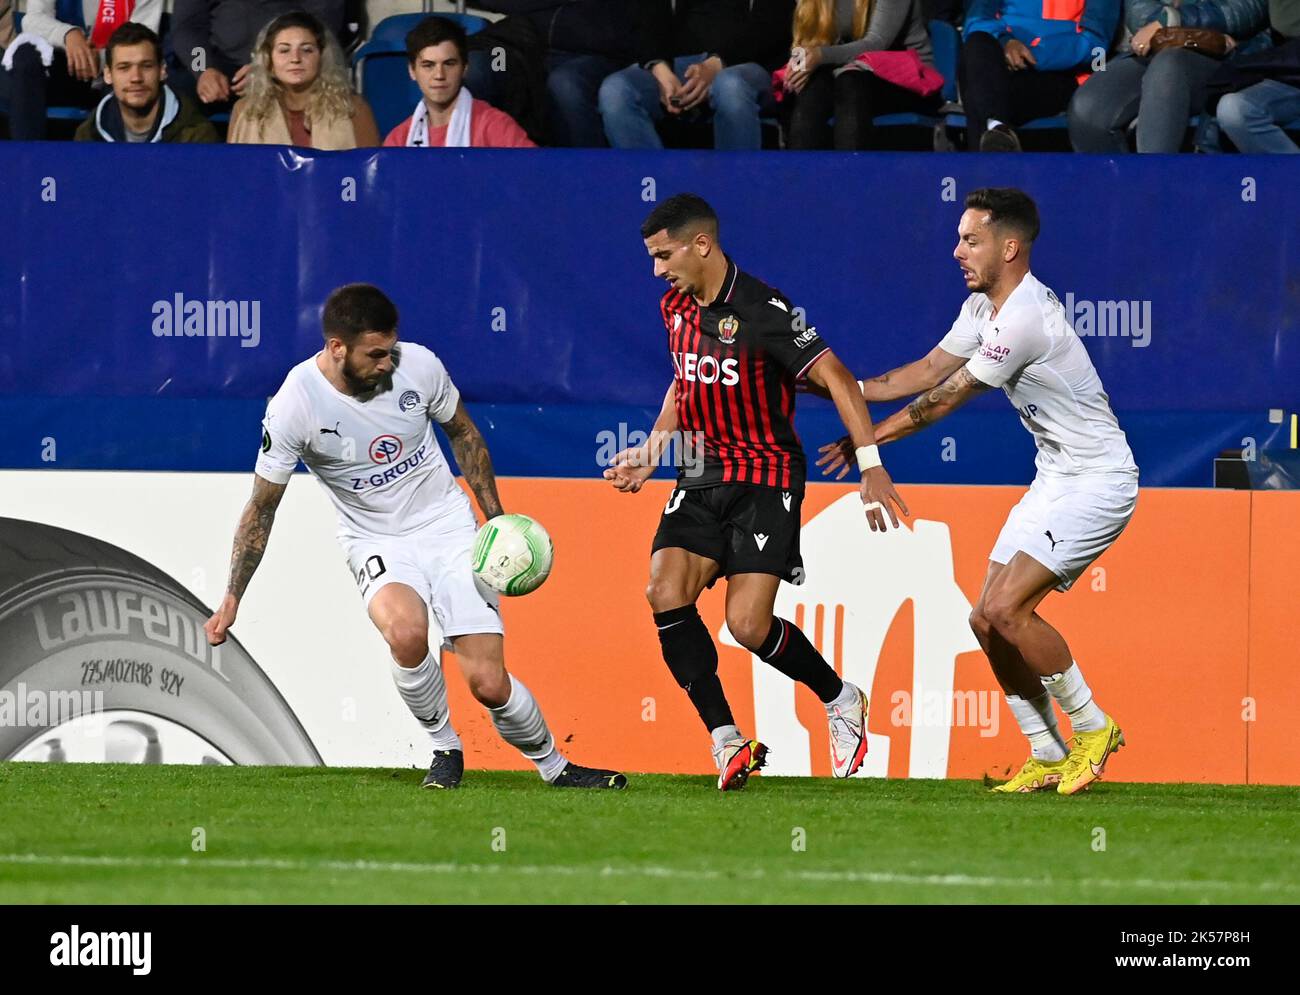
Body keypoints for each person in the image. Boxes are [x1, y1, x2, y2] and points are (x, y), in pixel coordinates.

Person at [205, 283, 625, 791]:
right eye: (374, 354)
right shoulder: (295, 404)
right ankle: (445, 748)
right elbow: (262, 507)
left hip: (447, 527)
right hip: (374, 539)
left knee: (488, 683)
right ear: (337, 348)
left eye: (390, 351)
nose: (386, 363)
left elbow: (465, 434)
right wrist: (232, 596)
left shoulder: (419, 366)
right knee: (405, 635)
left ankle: (556, 767)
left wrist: (495, 521)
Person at [819, 188, 1137, 795]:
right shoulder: (981, 309)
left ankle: (1093, 730)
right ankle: (1046, 751)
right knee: (983, 621)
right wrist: (840, 387)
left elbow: (942, 400)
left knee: (1005, 609)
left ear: (1009, 247)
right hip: (1055, 477)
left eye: (971, 240)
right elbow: (923, 373)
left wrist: (869, 442)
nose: (956, 251)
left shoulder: (1023, 319)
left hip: (1099, 481)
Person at [604, 193, 907, 791]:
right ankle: (725, 739)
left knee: (746, 624)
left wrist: (870, 463)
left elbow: (838, 377)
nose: (657, 270)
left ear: (702, 244)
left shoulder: (767, 309)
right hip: (701, 469)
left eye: (664, 256)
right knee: (663, 591)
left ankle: (841, 698)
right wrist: (652, 450)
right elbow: (683, 380)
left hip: (766, 476)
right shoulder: (674, 306)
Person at [1069, 0, 1270, 153]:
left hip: (1227, 54)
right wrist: (1165, 24)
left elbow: (1247, 9)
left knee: (1168, 68)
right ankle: (1119, 198)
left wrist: (1176, 20)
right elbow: (1139, 12)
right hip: (1155, 47)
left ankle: (1155, 194)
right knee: (1090, 107)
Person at [599, 0, 795, 150]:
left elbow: (774, 23)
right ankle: (656, 193)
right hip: (680, 63)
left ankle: (735, 195)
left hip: (745, 63)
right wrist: (659, 67)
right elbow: (648, 14)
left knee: (730, 85)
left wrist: (719, 62)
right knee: (616, 91)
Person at [960, 0, 1120, 150]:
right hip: (1004, 64)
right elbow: (977, 20)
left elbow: (1096, 45)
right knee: (976, 44)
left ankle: (995, 134)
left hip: (1064, 74)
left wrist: (1032, 55)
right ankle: (998, 134)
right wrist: (1005, 42)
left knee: (979, 86)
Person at [780, 0, 940, 150]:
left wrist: (820, 55)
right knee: (812, 89)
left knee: (851, 83)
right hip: (842, 73)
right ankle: (803, 175)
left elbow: (877, 42)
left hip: (907, 80)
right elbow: (804, 43)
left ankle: (853, 175)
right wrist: (798, 66)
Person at [0, 0, 162, 139]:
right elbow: (33, 19)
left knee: (133, 67)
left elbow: (145, 37)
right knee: (26, 56)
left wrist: (102, 58)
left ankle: (120, 164)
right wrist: (68, 34)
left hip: (118, 68)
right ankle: (27, 160)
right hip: (66, 67)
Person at [227, 11, 379, 149]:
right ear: (269, 61)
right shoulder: (244, 111)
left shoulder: (353, 108)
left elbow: (371, 172)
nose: (295, 58)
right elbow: (233, 172)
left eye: (306, 50)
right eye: (284, 50)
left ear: (322, 58)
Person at [383, 16, 535, 148]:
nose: (439, 75)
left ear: (465, 68)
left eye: (449, 64)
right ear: (412, 71)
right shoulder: (399, 140)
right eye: (428, 65)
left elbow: (539, 174)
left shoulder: (495, 126)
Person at [169, 0, 344, 111]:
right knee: (175, 95)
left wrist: (265, 66)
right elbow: (187, 28)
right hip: (219, 64)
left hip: (285, 61)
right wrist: (203, 69)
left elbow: (322, 21)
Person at [75, 23, 218, 142]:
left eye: (146, 66)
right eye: (124, 68)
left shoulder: (197, 136)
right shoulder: (88, 136)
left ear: (162, 70)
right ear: (107, 75)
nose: (136, 77)